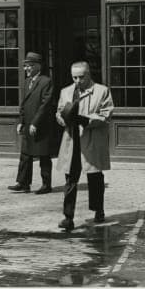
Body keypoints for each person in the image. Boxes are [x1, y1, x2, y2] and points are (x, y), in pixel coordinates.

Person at [55, 61, 114, 231]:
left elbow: (106, 114)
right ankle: (68, 217)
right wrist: (62, 118)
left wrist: (85, 120)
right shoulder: (66, 91)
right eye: (74, 77)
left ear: (88, 74)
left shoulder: (102, 91)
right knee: (70, 179)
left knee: (95, 177)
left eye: (81, 77)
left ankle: (98, 210)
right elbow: (59, 111)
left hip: (91, 139)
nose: (77, 81)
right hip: (71, 140)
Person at [8, 52, 54, 195]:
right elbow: (23, 104)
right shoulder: (27, 82)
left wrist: (35, 123)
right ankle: (23, 183)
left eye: (29, 66)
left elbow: (45, 104)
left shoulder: (46, 81)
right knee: (25, 155)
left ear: (38, 66)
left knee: (44, 156)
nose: (26, 69)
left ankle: (46, 185)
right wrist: (21, 122)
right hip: (27, 124)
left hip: (41, 125)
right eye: (25, 66)